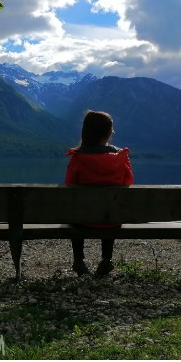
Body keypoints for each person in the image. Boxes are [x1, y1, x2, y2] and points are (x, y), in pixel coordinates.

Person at [64, 110, 134, 276]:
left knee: (77, 209)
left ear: (85, 132)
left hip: (82, 219)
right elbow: (128, 182)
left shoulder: (78, 158)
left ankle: (79, 259)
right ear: (109, 132)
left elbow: (70, 184)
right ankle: (106, 259)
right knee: (111, 207)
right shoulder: (121, 157)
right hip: (112, 219)